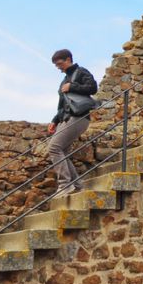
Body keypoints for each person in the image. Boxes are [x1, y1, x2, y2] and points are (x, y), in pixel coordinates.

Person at [48, 49, 98, 196]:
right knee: (61, 150)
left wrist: (72, 87)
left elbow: (93, 88)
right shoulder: (64, 80)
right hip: (66, 118)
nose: (58, 67)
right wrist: (54, 121)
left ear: (68, 59)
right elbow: (63, 104)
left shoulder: (81, 72)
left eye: (59, 63)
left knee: (54, 148)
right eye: (56, 65)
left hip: (79, 117)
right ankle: (76, 185)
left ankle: (65, 185)